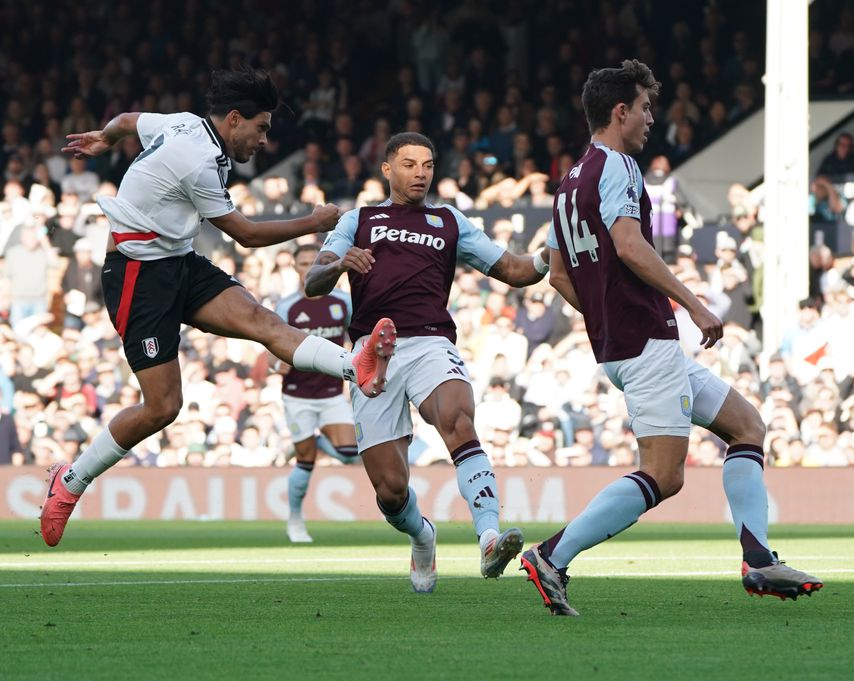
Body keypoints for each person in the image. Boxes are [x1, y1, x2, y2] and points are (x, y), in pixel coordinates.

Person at [39, 68, 398, 547]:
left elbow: (128, 119)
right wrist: (313, 221)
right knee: (162, 407)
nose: (265, 139)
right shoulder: (198, 160)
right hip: (135, 276)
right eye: (262, 127)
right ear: (234, 119)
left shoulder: (184, 124)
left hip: (177, 261)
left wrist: (105, 138)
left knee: (264, 320)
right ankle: (71, 481)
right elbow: (246, 235)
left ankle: (357, 367)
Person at [519, 60, 822, 616]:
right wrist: (695, 304)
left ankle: (758, 558)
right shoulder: (621, 168)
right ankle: (552, 555)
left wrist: (604, 318)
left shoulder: (568, 183)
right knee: (663, 474)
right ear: (620, 111)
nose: (650, 118)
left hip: (623, 343)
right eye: (645, 107)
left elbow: (558, 272)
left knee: (747, 425)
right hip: (646, 341)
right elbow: (632, 247)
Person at [305, 131, 550, 592]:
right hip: (371, 354)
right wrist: (339, 265)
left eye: (428, 165)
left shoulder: (449, 221)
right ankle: (422, 535)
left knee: (458, 418)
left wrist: (548, 253)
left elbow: (515, 271)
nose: (420, 173)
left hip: (431, 342)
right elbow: (313, 281)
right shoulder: (358, 219)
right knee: (390, 490)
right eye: (410, 164)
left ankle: (489, 537)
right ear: (387, 169)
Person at [273, 243, 360, 543]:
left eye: (313, 262)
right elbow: (269, 342)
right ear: (294, 268)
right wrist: (276, 363)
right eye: (302, 263)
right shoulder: (287, 307)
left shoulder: (343, 302)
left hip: (331, 392)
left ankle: (317, 440)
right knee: (305, 462)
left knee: (350, 455)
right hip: (297, 393)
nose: (308, 267)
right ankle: (295, 521)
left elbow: (357, 336)